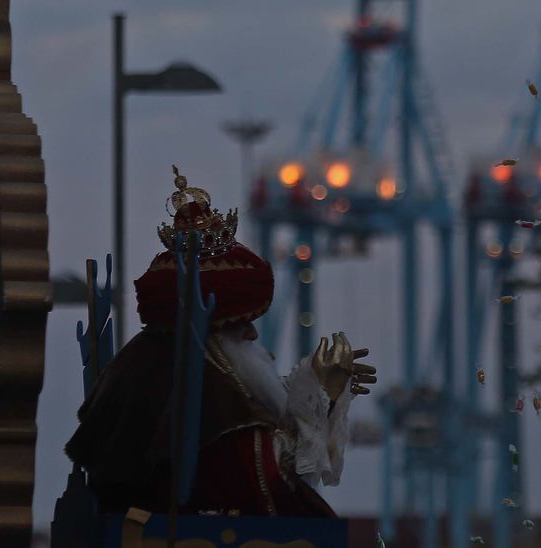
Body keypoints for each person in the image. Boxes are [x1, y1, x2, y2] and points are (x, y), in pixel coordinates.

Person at [64, 167, 376, 516]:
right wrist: (320, 399)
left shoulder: (157, 362)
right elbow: (270, 480)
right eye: (243, 324)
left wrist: (323, 393)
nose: (254, 335)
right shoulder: (201, 385)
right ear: (213, 325)